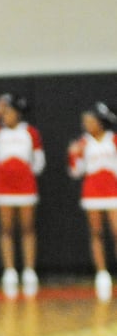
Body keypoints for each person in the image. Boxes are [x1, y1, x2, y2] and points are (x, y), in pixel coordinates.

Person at [0, 93, 45, 298]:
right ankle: (9, 271)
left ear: (18, 113)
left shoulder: (30, 132)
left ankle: (29, 271)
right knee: (6, 228)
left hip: (25, 187)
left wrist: (25, 173)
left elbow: (39, 161)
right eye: (3, 112)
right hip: (4, 189)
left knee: (27, 228)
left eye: (9, 112)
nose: (5, 115)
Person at [67, 101, 117, 301]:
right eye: (85, 122)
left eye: (90, 121)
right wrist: (73, 155)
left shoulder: (113, 140)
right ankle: (102, 273)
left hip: (113, 193)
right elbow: (75, 171)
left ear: (101, 122)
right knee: (96, 233)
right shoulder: (83, 143)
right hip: (92, 193)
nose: (87, 125)